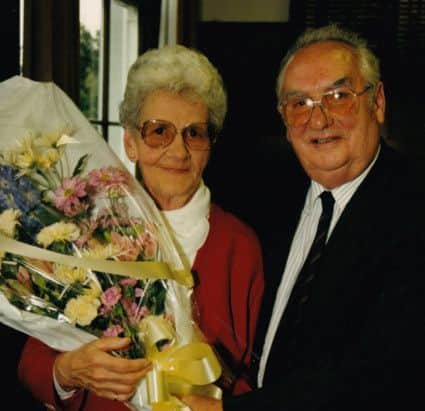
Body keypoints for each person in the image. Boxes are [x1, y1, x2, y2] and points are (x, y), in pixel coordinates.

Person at [181, 24, 425, 411]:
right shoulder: (265, 198)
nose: (319, 119)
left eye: (339, 96)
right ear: (283, 120)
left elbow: (382, 372)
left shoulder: (413, 208)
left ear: (377, 103)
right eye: (299, 104)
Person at [17, 45, 264, 410]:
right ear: (130, 143)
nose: (178, 151)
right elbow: (33, 366)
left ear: (210, 144)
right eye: (158, 131)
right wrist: (67, 371)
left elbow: (254, 382)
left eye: (194, 133)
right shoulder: (89, 230)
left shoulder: (239, 246)